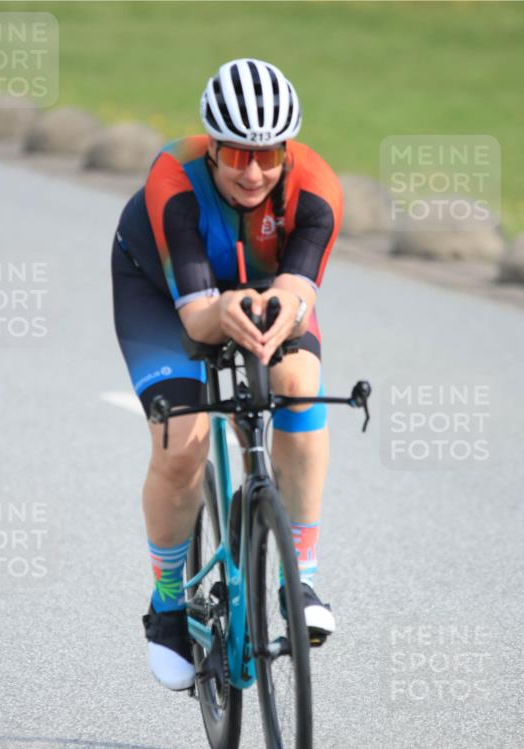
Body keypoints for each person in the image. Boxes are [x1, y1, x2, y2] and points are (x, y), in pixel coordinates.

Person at [112, 58, 343, 692]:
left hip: (260, 290)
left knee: (297, 384)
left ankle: (302, 570)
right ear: (211, 145)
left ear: (286, 149)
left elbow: (299, 288)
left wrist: (281, 312)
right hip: (163, 294)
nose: (253, 172)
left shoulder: (318, 188)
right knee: (182, 439)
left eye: (267, 155)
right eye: (237, 155)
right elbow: (195, 318)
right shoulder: (174, 180)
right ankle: (166, 605)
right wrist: (225, 311)